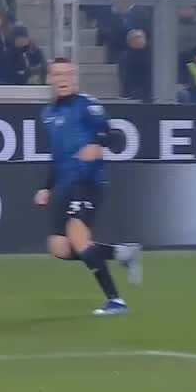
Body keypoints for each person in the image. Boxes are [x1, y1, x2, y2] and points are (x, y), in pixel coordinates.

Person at [35, 59, 142, 316]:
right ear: (49, 79)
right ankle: (122, 253)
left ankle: (116, 301)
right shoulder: (47, 114)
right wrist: (46, 187)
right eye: (57, 74)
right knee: (59, 248)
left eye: (67, 74)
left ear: (75, 78)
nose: (62, 79)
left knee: (77, 235)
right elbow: (57, 158)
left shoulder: (87, 105)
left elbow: (113, 135)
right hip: (64, 186)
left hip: (88, 182)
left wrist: (97, 143)